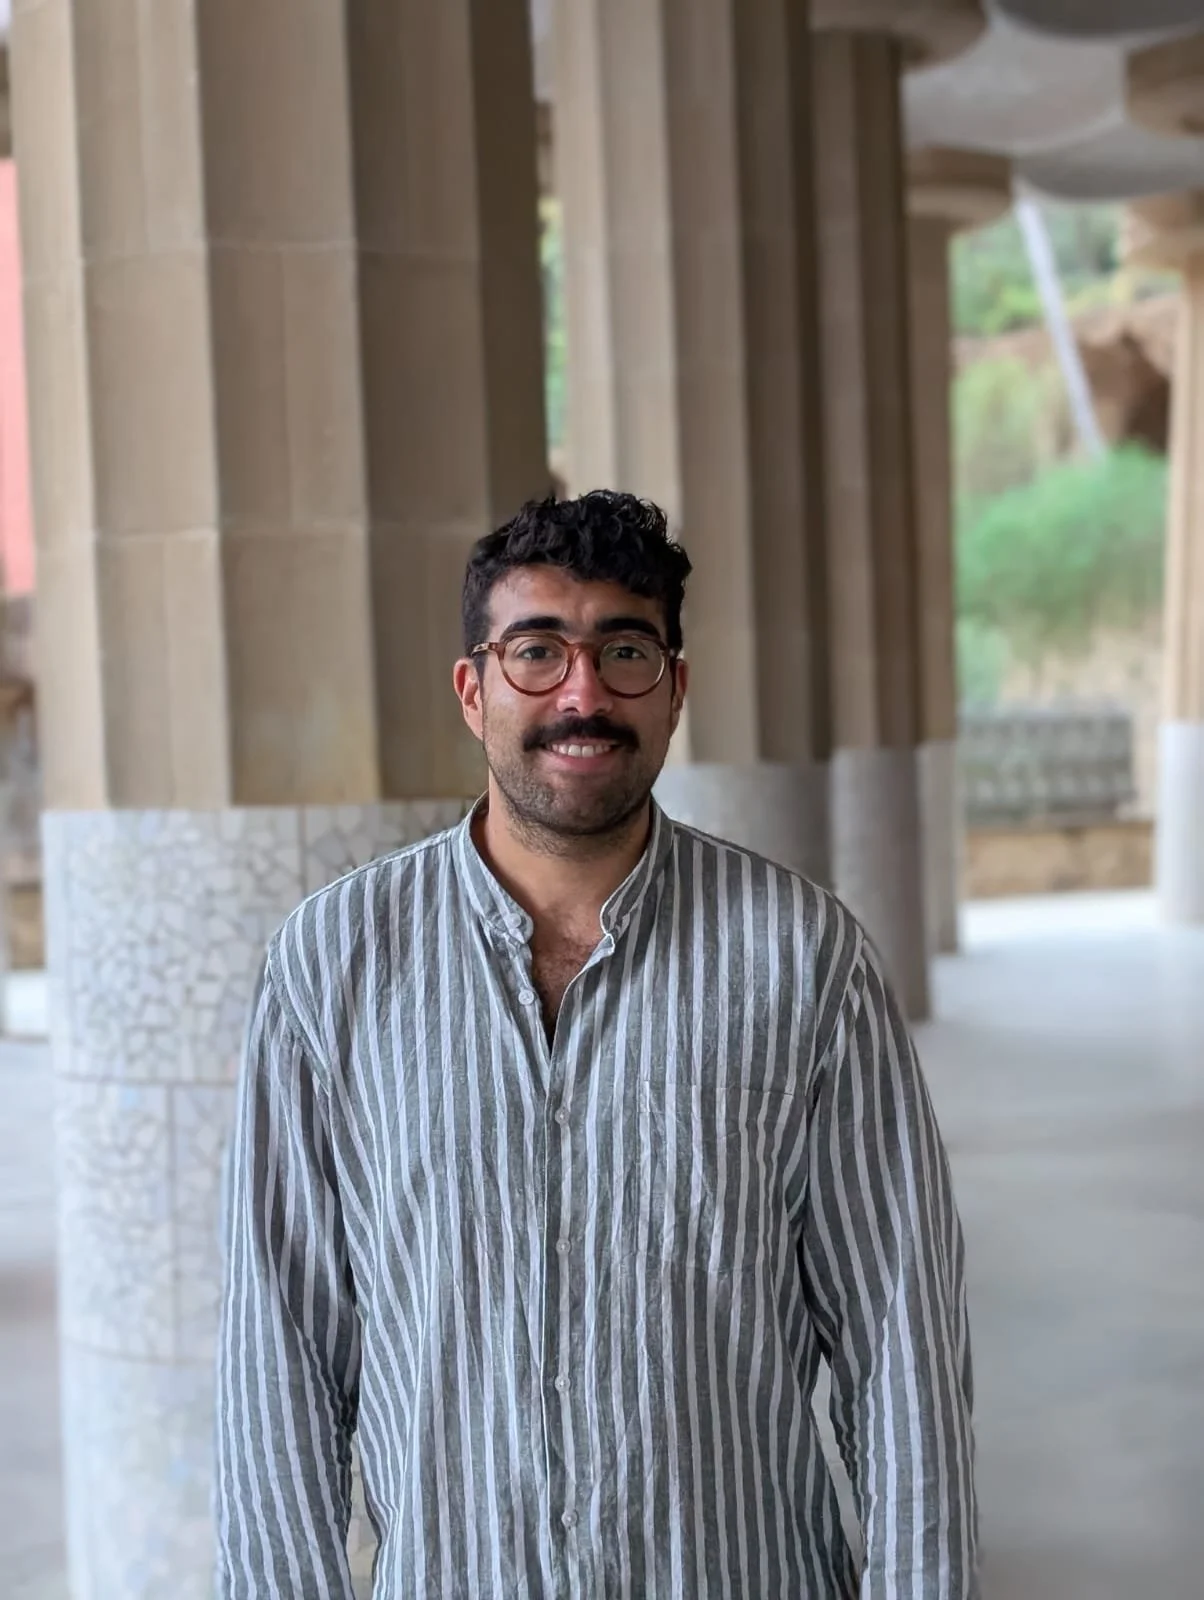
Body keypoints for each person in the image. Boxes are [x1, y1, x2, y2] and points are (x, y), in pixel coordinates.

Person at [215, 491, 977, 1598]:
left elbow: (899, 1340)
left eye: (623, 649)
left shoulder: (804, 959)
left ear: (674, 688)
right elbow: (279, 1363)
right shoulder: (331, 964)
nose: (582, 693)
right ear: (474, 691)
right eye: (536, 651)